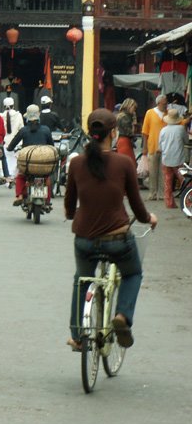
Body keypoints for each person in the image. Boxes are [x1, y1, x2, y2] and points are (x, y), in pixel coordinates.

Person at [64, 108, 157, 350]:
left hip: (84, 239)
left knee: (81, 280)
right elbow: (137, 207)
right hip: (118, 239)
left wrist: (71, 214)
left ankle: (77, 335)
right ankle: (122, 317)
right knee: (133, 273)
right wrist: (149, 218)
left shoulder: (76, 163)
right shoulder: (124, 162)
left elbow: (69, 204)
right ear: (113, 133)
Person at [6, 104, 54, 206]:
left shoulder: (23, 130)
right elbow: (51, 146)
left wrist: (10, 148)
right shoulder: (46, 130)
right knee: (47, 179)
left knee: (20, 177)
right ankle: (48, 200)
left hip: (28, 165)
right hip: (43, 165)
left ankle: (19, 196)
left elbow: (11, 146)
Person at [158, 108, 188, 208]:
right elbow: (186, 141)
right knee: (185, 180)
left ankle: (169, 203)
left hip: (166, 158)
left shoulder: (163, 130)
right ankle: (188, 200)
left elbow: (160, 145)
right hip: (178, 159)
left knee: (168, 182)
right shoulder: (181, 129)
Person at [141, 94, 168, 200]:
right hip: (153, 145)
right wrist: (144, 147)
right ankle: (152, 193)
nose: (166, 105)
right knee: (153, 171)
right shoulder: (150, 113)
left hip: (165, 147)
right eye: (164, 103)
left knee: (163, 171)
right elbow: (145, 131)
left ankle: (161, 193)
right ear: (158, 103)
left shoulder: (168, 113)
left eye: (166, 103)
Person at [1, 96, 24, 184]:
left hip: (4, 143)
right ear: (13, 105)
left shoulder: (1, 116)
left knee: (6, 160)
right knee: (14, 161)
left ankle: (7, 176)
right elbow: (21, 129)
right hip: (16, 143)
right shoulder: (18, 115)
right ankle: (13, 177)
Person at [115, 98, 138, 164]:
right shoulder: (125, 117)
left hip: (123, 140)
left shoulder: (121, 116)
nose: (134, 110)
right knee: (128, 162)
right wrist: (134, 122)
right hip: (124, 141)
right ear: (129, 106)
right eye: (134, 108)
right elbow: (129, 131)